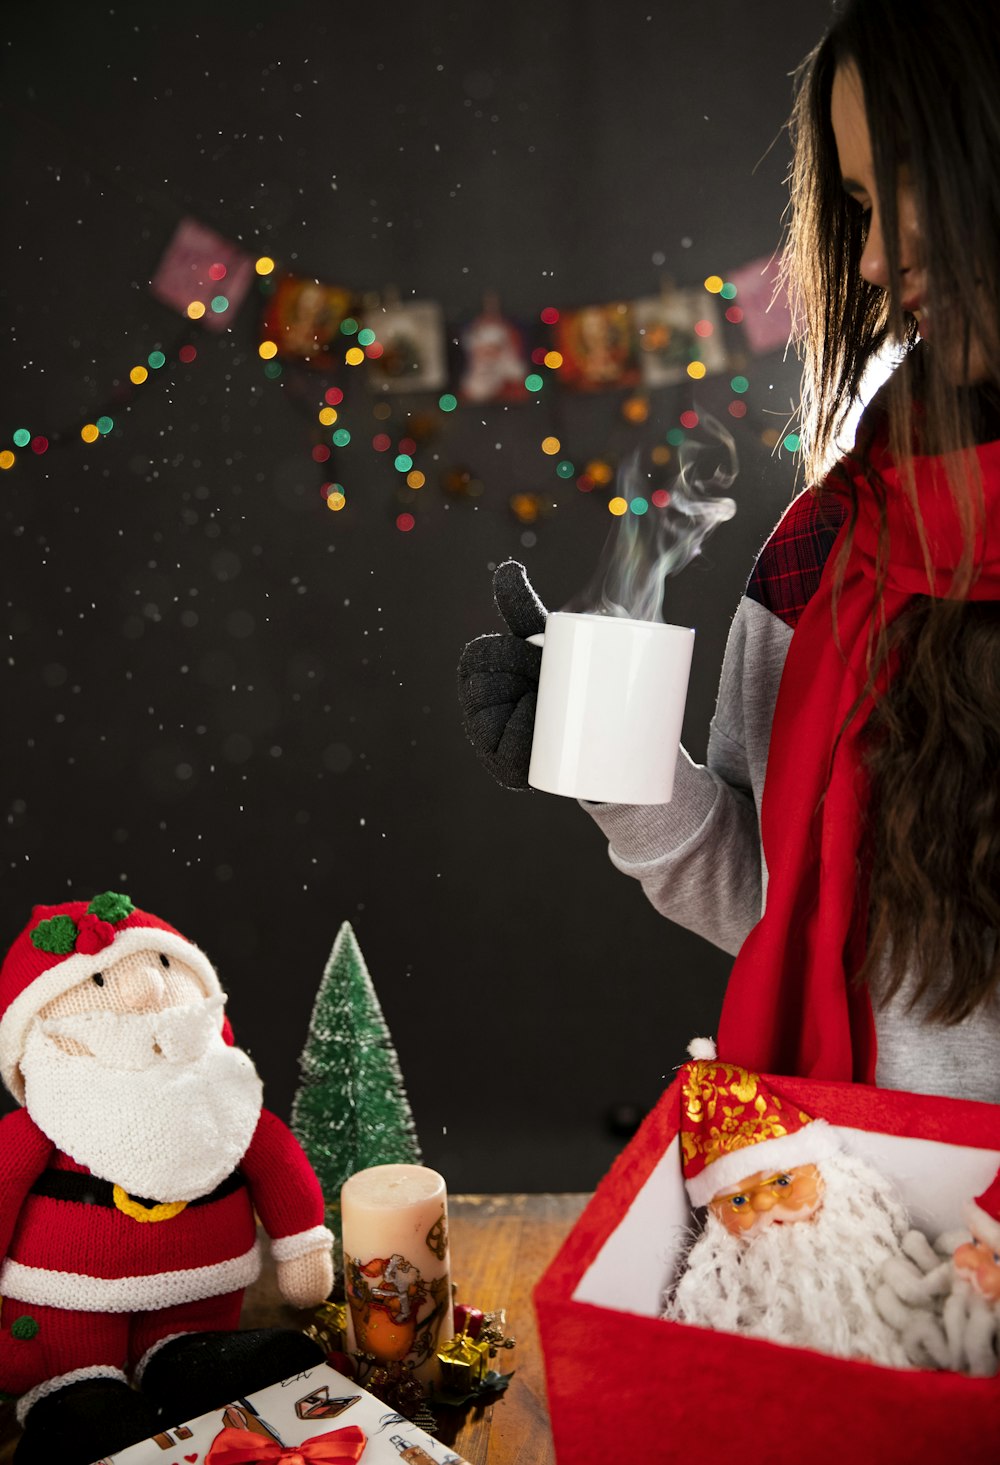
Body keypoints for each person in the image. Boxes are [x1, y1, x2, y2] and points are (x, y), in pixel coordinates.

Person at [458, 0, 1000, 1102]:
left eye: (911, 177)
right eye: (854, 205)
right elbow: (774, 899)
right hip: (860, 1213)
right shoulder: (823, 550)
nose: (880, 256)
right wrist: (616, 768)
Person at [0, 891, 334, 1465]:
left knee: (208, 1358)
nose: (146, 990)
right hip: (66, 1310)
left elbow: (279, 1165)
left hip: (198, 1301)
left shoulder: (226, 1102)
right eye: (101, 983)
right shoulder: (37, 1127)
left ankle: (185, 1359)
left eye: (161, 964)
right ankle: (76, 1392)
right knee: (81, 1402)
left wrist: (302, 1248)